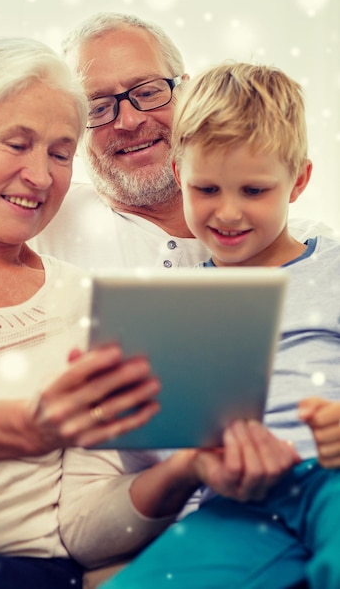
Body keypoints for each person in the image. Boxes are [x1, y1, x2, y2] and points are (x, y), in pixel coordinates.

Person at [0, 36, 163, 589]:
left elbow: (87, 520)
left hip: (30, 571)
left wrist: (184, 473)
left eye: (60, 153)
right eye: (17, 144)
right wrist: (27, 427)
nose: (41, 178)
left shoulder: (94, 306)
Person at [97, 62, 340, 588]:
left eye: (254, 191)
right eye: (206, 189)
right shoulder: (172, 306)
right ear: (180, 177)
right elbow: (148, 455)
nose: (227, 213)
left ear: (297, 181)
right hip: (232, 499)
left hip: (330, 478)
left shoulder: (334, 268)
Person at [31, 11, 333, 269]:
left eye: (148, 92)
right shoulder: (39, 225)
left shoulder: (311, 253)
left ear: (187, 94)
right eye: (97, 107)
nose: (129, 121)